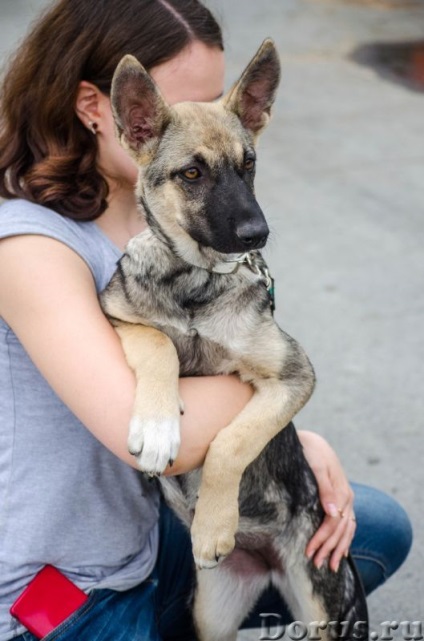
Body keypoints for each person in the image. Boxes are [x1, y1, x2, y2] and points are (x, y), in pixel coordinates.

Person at [0, 1, 412, 640]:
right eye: (177, 111)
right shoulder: (28, 246)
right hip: (66, 591)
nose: (208, 123)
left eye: (218, 103)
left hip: (146, 538)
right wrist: (272, 407)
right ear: (105, 109)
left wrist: (299, 442)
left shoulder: (156, 217)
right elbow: (147, 436)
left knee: (372, 526)